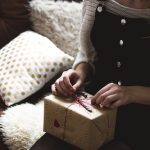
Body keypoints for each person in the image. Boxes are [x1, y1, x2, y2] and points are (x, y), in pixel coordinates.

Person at [51, 0, 150, 149]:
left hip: (141, 122)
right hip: (92, 107)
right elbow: (87, 53)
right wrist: (80, 73)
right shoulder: (94, 2)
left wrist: (131, 93)